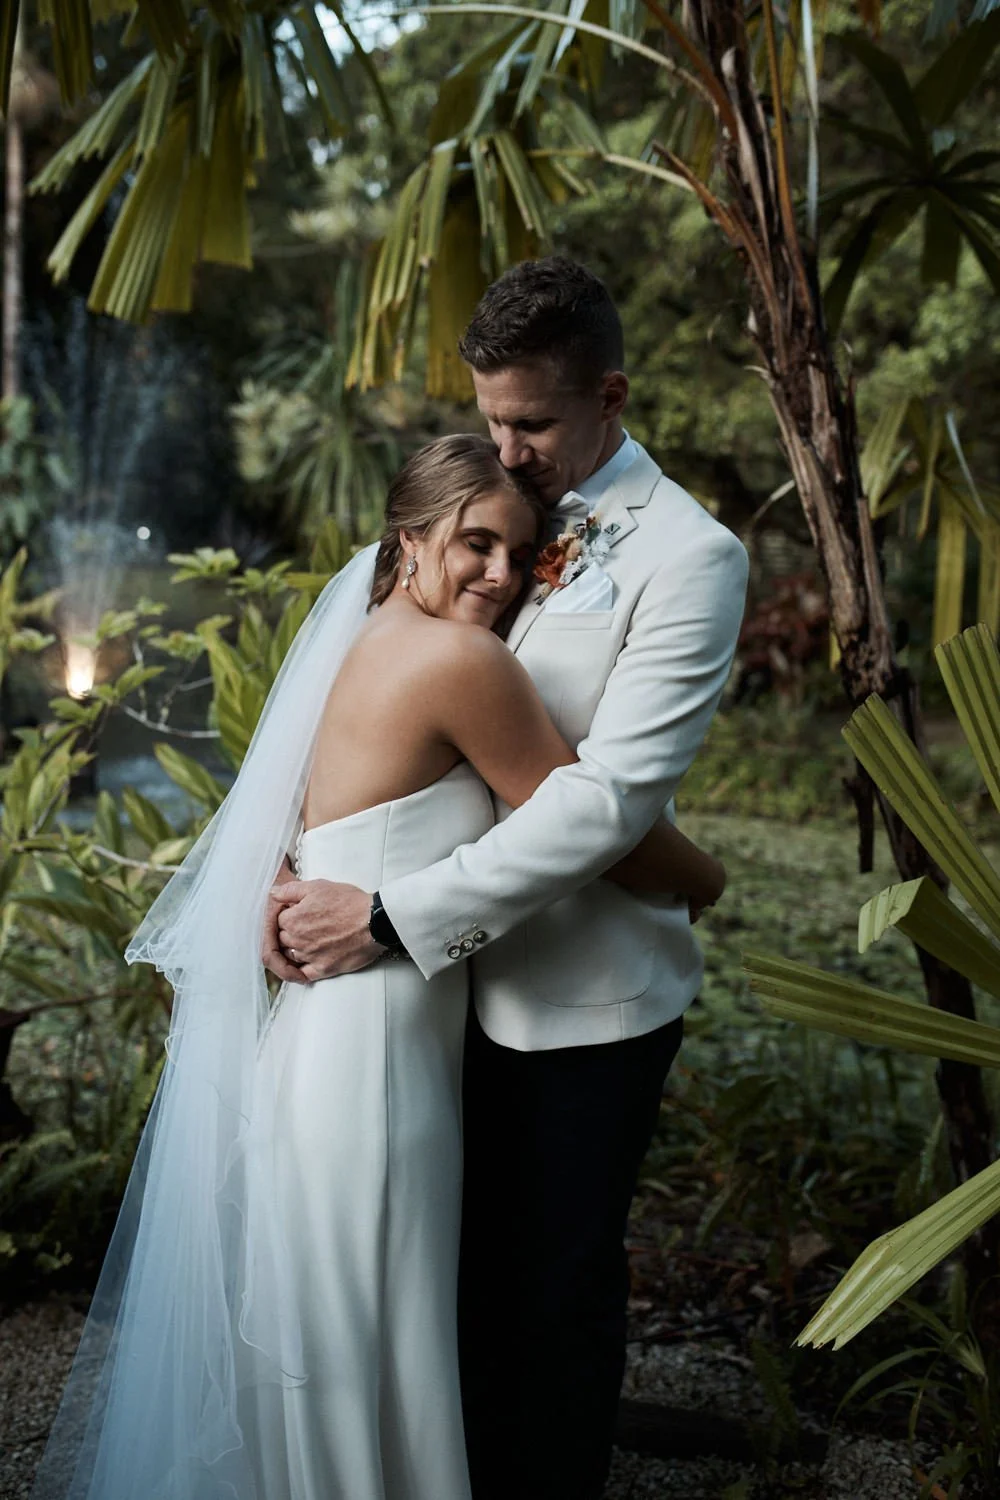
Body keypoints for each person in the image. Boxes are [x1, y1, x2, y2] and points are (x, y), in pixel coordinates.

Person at [30, 434, 724, 1500]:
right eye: (473, 544)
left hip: (328, 1042)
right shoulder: (461, 661)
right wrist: (709, 877)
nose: (498, 575)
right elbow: (609, 830)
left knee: (337, 1344)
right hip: (382, 1061)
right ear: (408, 540)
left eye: (517, 552)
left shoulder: (363, 635)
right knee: (370, 1342)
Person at [267, 258, 750, 1500]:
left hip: (576, 1000)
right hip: (422, 1013)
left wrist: (386, 914)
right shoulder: (474, 514)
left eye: (531, 423)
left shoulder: (690, 559)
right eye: (489, 418)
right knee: (445, 1294)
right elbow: (359, 704)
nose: (507, 448)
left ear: (610, 394)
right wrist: (293, 867)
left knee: (548, 1308)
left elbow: (601, 803)